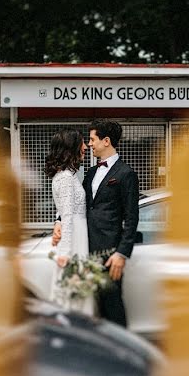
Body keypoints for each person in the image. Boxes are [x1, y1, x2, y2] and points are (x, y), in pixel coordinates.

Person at [53, 119, 139, 327]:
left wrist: (121, 253)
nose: (89, 144)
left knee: (112, 306)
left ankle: (121, 352)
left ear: (106, 141)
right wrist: (59, 220)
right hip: (84, 250)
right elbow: (77, 205)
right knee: (92, 309)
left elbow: (132, 217)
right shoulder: (90, 173)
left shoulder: (126, 174)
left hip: (109, 253)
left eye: (92, 139)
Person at [44, 128, 93, 315]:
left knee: (76, 290)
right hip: (75, 239)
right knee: (73, 291)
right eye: (81, 143)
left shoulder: (67, 175)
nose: (85, 147)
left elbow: (63, 212)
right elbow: (68, 216)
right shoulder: (65, 178)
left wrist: (57, 223)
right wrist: (64, 253)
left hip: (77, 233)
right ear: (71, 147)